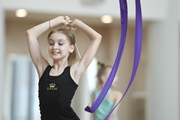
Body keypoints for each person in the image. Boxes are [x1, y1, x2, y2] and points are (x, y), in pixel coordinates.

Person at [26, 16, 102, 120]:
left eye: (60, 43)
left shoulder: (75, 71)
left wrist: (79, 23)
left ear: (71, 48)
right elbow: (30, 33)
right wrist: (56, 21)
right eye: (51, 43)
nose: (54, 47)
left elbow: (97, 37)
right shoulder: (42, 69)